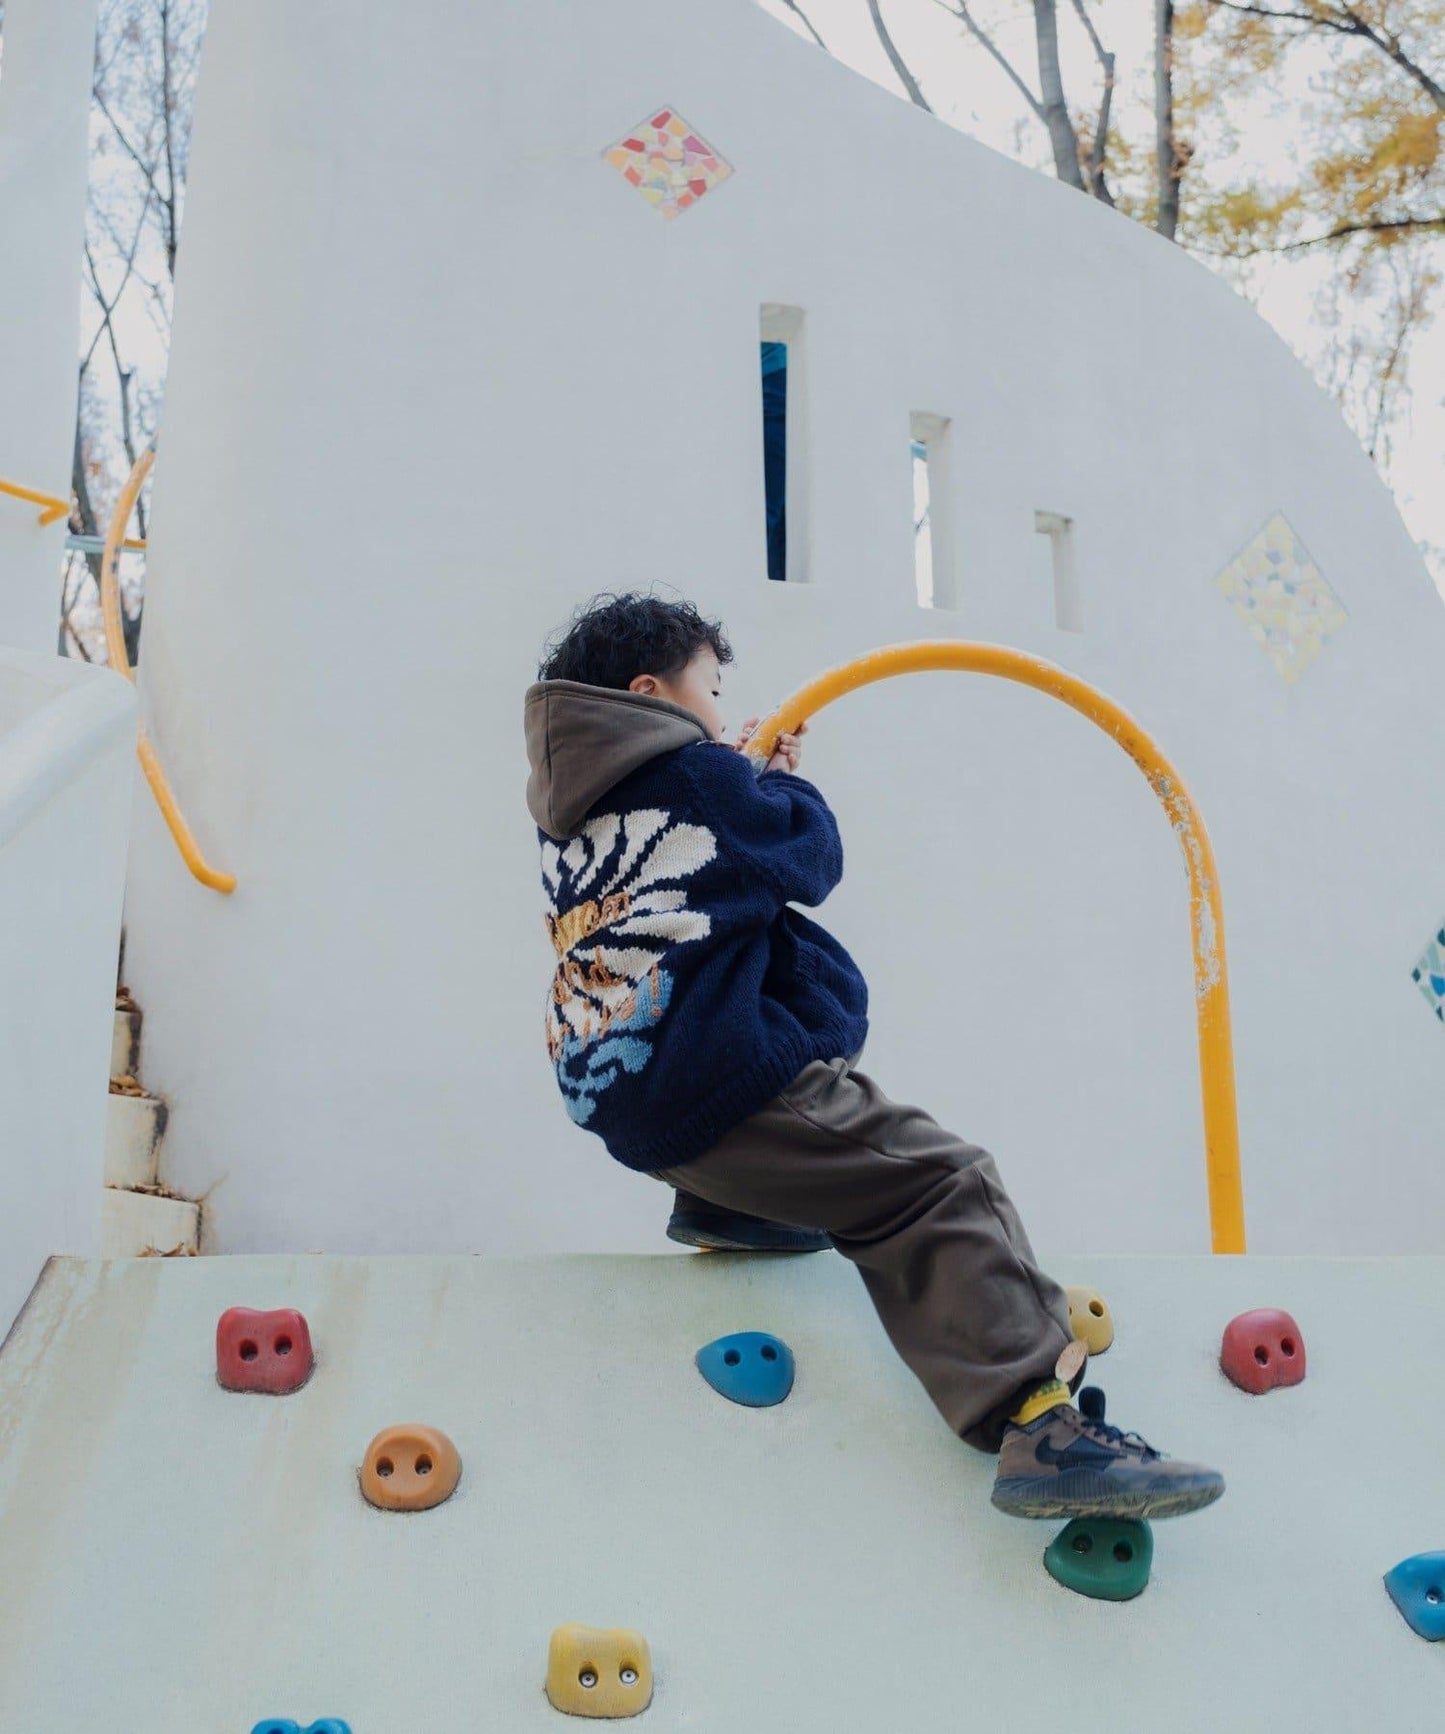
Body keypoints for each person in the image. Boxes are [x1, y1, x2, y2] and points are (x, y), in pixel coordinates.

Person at [523, 592, 1225, 1519]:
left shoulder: (573, 811)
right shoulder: (695, 775)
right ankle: (1041, 1429)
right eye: (711, 691)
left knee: (814, 1093)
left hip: (630, 1092)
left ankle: (734, 1208)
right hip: (719, 1080)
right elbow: (807, 856)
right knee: (940, 1182)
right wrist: (778, 784)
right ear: (651, 692)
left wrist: (746, 781)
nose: (722, 714)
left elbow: (715, 877)